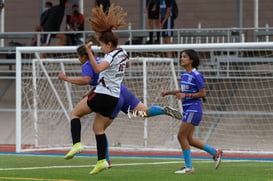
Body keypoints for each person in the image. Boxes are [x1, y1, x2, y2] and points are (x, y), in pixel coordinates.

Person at [60, 44, 182, 168]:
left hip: (110, 96)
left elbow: (86, 79)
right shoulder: (101, 60)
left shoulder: (87, 64)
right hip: (121, 90)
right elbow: (105, 77)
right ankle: (163, 110)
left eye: (78, 56)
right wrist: (91, 91)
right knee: (143, 112)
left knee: (100, 129)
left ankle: (105, 160)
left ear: (82, 56)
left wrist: (66, 78)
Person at [61, 4, 128, 175]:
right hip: (113, 98)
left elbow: (98, 70)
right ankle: (102, 161)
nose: (101, 48)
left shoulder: (111, 55)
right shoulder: (123, 53)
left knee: (75, 113)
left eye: (102, 45)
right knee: (98, 129)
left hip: (103, 95)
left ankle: (76, 144)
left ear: (109, 43)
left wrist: (89, 52)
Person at [161, 49, 223, 174]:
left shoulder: (197, 75)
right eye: (181, 56)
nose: (181, 58)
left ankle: (189, 167)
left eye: (184, 57)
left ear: (191, 60)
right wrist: (170, 93)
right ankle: (215, 152)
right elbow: (183, 90)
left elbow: (203, 93)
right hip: (189, 109)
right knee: (189, 139)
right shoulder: (184, 75)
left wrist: (186, 95)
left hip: (194, 109)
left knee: (181, 136)